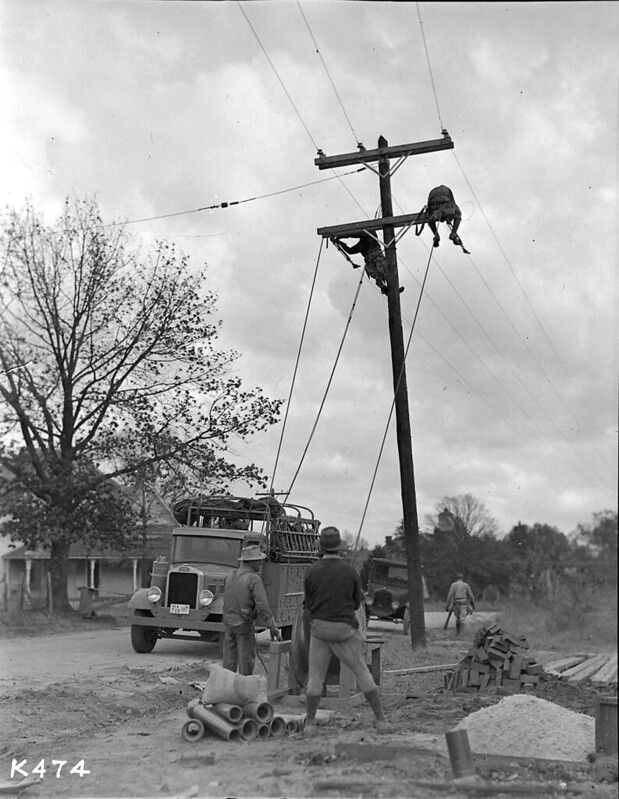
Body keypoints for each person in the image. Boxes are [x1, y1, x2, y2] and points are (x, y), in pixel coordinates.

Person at [302, 526, 391, 735]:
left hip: (319, 630)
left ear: (320, 547)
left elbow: (308, 604)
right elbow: (355, 604)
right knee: (361, 671)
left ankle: (310, 724)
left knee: (315, 678)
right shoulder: (350, 571)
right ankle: (381, 720)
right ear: (340, 547)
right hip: (344, 630)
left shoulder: (311, 571)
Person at [222, 544, 282, 675]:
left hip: (228, 622)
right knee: (246, 661)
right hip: (244, 624)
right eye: (259, 560)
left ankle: (227, 686)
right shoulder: (254, 578)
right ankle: (244, 686)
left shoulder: (230, 576)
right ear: (251, 562)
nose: (261, 563)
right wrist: (272, 627)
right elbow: (263, 605)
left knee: (228, 662)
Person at [333, 233, 403, 295]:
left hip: (377, 256)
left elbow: (355, 234)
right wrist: (340, 242)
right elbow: (350, 250)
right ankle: (385, 289)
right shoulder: (361, 244)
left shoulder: (370, 232)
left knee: (384, 271)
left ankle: (393, 289)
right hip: (370, 260)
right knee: (378, 275)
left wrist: (341, 236)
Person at [425, 185, 467, 251]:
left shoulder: (432, 192)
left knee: (430, 220)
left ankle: (436, 236)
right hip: (445, 208)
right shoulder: (448, 190)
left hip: (433, 210)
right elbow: (452, 202)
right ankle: (453, 234)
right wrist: (450, 218)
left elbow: (428, 204)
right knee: (458, 215)